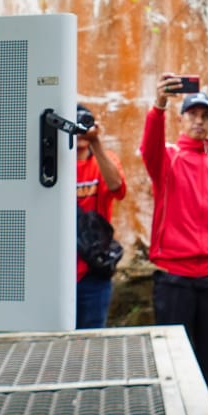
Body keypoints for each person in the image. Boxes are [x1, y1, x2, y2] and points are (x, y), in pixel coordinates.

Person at [140, 75, 208, 415]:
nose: (198, 121)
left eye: (205, 116)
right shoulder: (167, 160)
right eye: (192, 115)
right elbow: (148, 147)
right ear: (182, 119)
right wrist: (159, 105)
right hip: (174, 280)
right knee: (173, 365)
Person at [74, 104, 127, 329]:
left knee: (92, 342)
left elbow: (117, 187)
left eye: (85, 124)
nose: (80, 131)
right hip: (57, 271)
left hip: (93, 270)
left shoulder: (105, 160)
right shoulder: (50, 164)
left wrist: (95, 143)